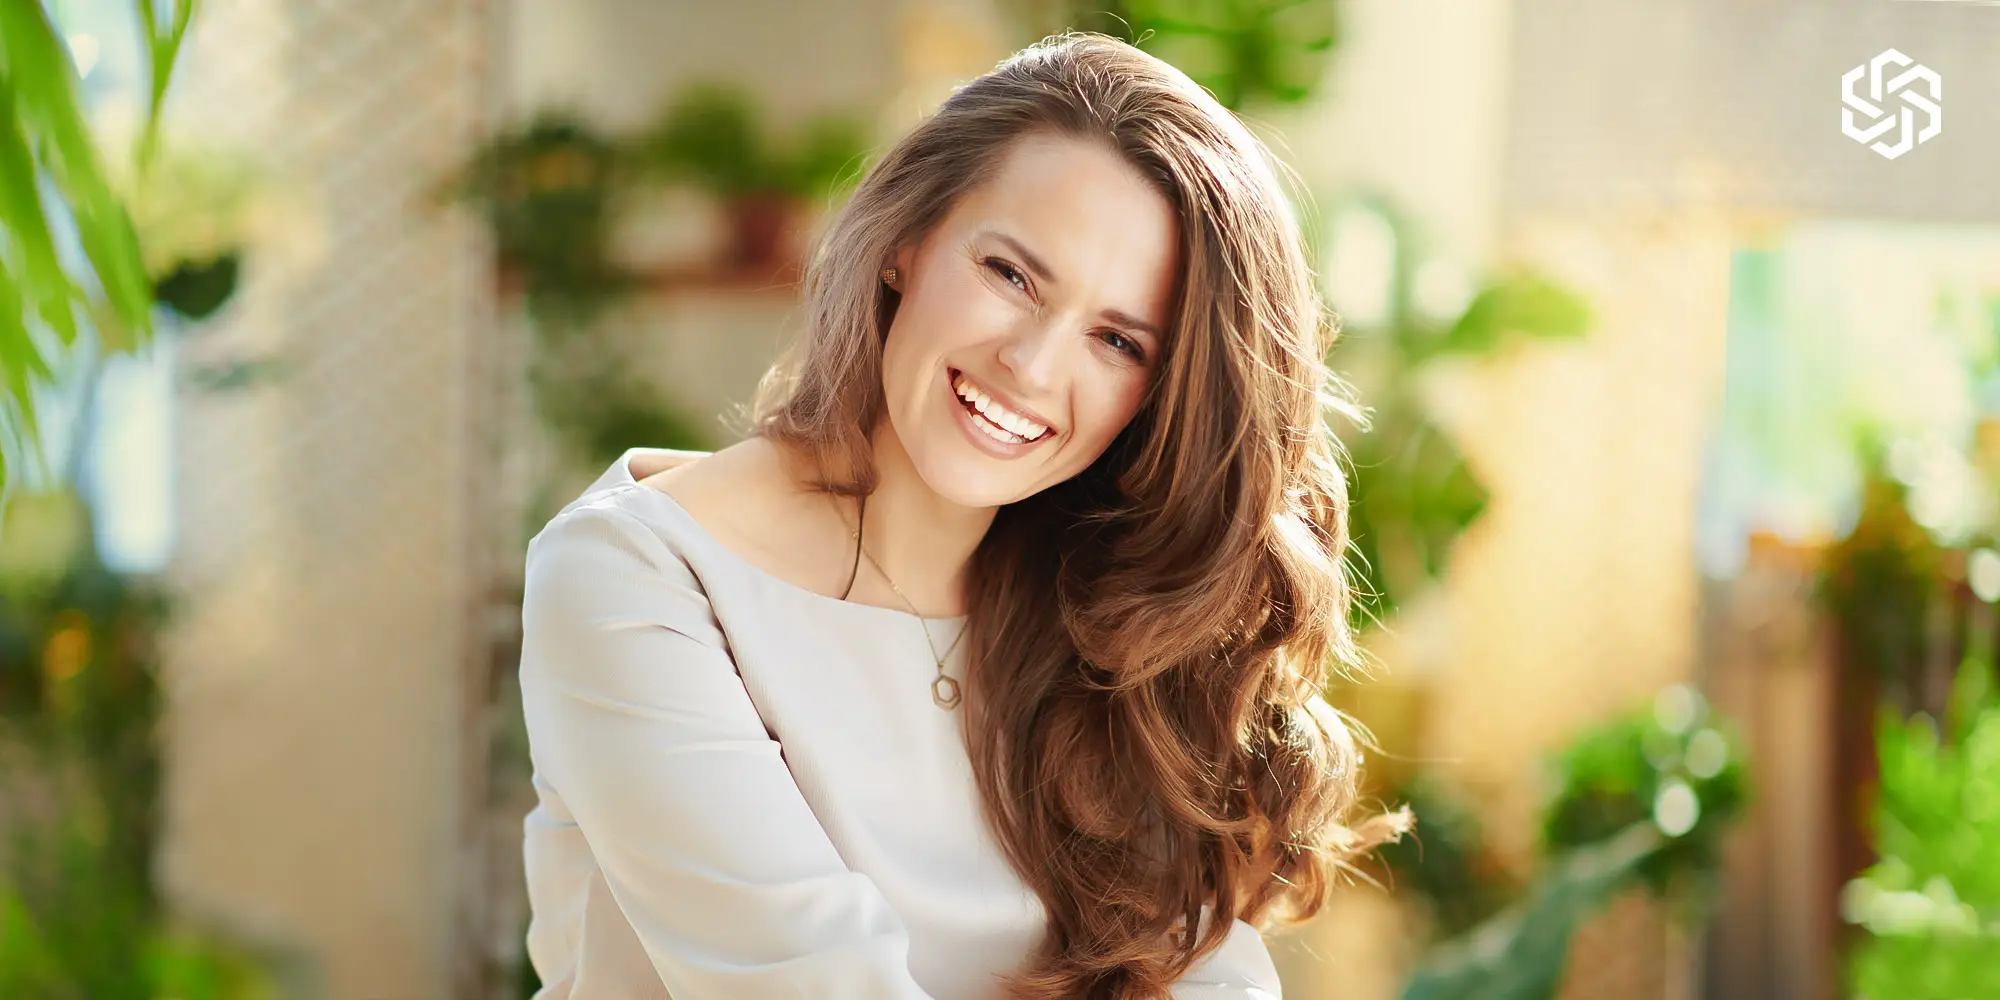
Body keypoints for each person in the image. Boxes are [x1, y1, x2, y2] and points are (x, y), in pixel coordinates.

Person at [517, 32, 1408, 1000]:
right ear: (908, 239)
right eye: (1011, 275)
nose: (1031, 365)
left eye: (1115, 339)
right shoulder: (635, 573)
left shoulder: (1106, 613)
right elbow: (810, 982)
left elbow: (1200, 976)